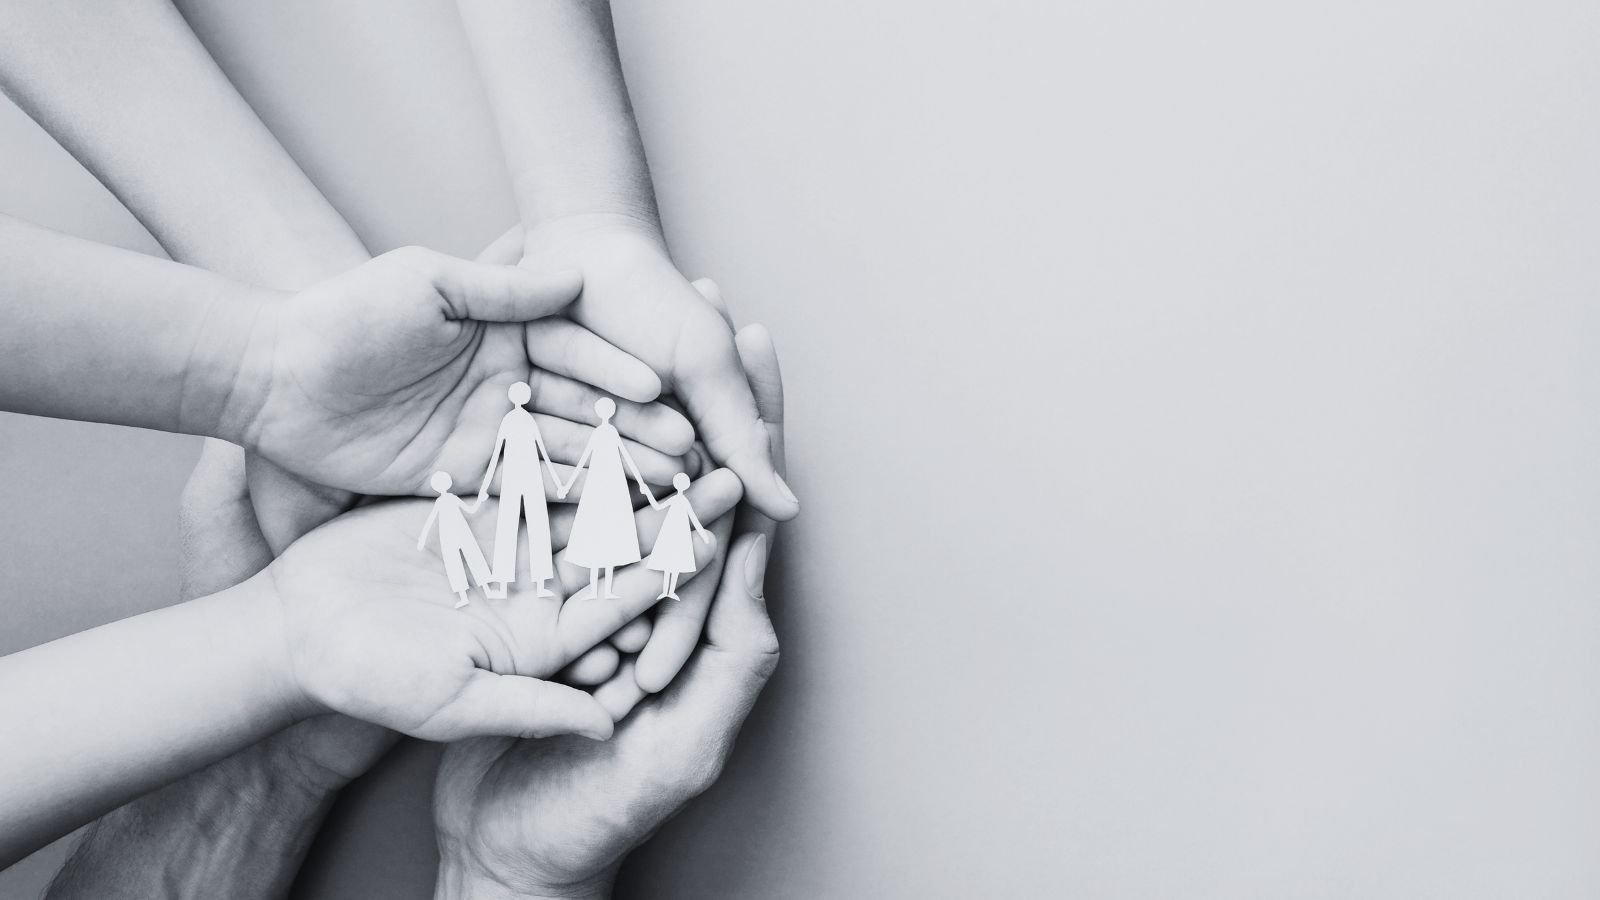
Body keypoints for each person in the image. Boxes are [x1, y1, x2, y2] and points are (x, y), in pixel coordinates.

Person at [558, 397, 662, 599]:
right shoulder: (599, 433)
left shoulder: (611, 432)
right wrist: (567, 484)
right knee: (595, 530)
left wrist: (641, 481)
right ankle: (596, 590)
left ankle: (606, 590)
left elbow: (625, 456)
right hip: (598, 483)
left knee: (611, 531)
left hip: (613, 482)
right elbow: (584, 458)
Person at [471, 381, 564, 598]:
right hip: (516, 476)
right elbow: (498, 453)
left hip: (527, 475)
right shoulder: (514, 420)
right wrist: (485, 485)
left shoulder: (521, 420)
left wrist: (557, 481)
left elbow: (541, 450)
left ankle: (537, 584)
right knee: (517, 526)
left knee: (532, 526)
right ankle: (510, 585)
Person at [420, 471, 494, 607]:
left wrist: (480, 500)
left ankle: (487, 591)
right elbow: (431, 519)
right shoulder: (440, 501)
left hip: (462, 530)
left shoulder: (452, 498)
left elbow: (470, 509)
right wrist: (423, 537)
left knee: (473, 557)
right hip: (448, 535)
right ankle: (463, 597)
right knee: (454, 564)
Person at [647, 472, 714, 600]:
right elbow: (657, 506)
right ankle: (666, 591)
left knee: (675, 563)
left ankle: (670, 591)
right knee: (669, 562)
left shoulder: (683, 501)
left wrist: (702, 533)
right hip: (670, 531)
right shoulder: (677, 499)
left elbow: (693, 518)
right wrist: (647, 493)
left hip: (680, 532)